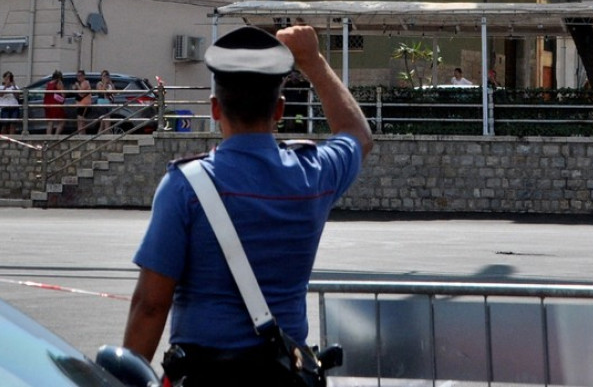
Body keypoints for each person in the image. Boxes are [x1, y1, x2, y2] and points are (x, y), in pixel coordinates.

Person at [123, 25, 372, 384]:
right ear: (280, 110)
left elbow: (150, 306)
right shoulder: (312, 174)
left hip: (205, 375)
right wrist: (313, 61)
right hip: (284, 374)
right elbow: (358, 136)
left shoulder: (184, 187)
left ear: (214, 108)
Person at [43, 71, 67, 136]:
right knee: (62, 120)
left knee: (50, 122)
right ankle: (56, 136)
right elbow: (63, 94)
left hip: (47, 104)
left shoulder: (49, 83)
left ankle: (48, 138)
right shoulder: (58, 82)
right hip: (55, 104)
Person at [73, 70, 94, 134]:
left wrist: (77, 86)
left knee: (81, 122)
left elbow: (81, 93)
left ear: (84, 76)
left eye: (80, 75)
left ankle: (80, 136)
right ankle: (82, 135)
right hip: (80, 104)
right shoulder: (81, 83)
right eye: (77, 76)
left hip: (84, 104)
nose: (79, 77)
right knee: (81, 122)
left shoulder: (85, 82)